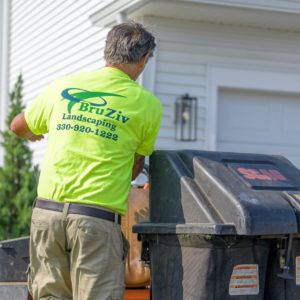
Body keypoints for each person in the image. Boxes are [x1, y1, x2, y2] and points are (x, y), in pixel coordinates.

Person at [10, 22, 162, 300]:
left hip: (46, 215)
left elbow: (18, 125)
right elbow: (134, 167)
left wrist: (34, 135)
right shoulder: (147, 105)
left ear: (107, 53)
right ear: (143, 60)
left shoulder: (64, 86)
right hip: (96, 221)